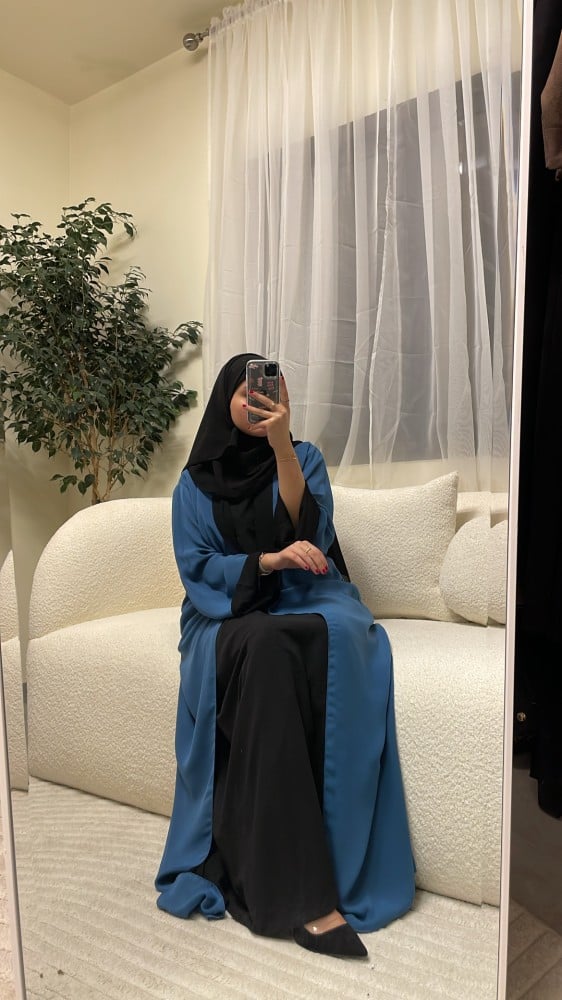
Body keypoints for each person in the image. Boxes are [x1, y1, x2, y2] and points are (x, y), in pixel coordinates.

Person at [155, 352, 415, 958]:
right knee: (266, 645)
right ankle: (302, 898)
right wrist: (265, 563)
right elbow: (197, 567)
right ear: (225, 399)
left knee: (339, 638)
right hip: (228, 611)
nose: (260, 398)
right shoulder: (194, 484)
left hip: (309, 596)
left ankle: (320, 866)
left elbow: (310, 532)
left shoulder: (304, 458)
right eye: (246, 391)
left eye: (272, 390)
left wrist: (282, 449)